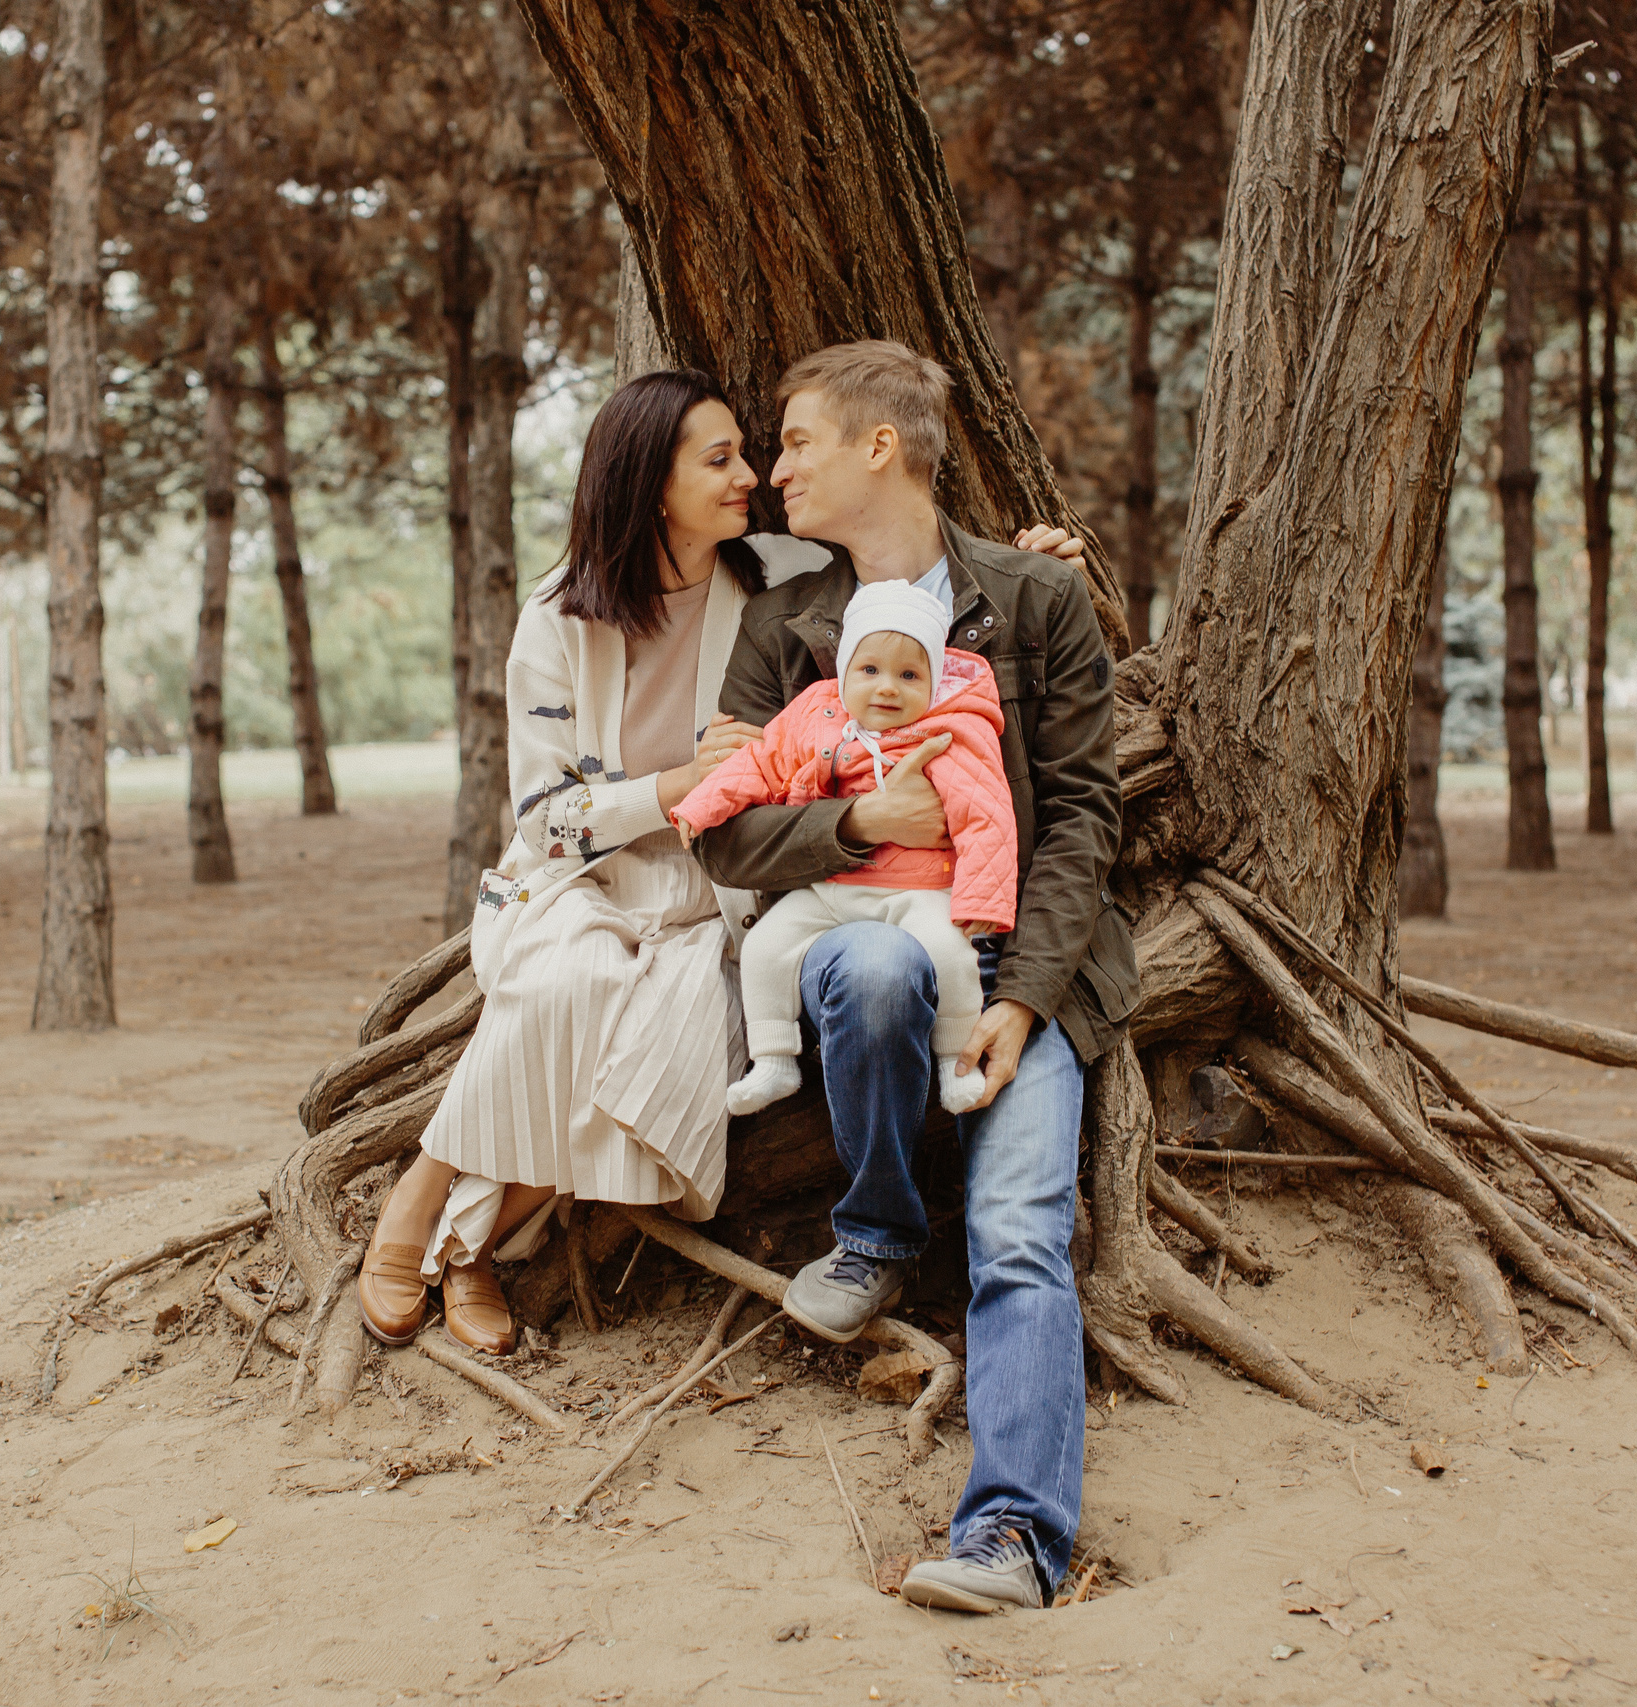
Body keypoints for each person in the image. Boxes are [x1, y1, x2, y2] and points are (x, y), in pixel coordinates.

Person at [353, 366, 1089, 1359]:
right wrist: (669, 787)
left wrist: (1030, 570)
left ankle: (466, 1238)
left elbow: (914, 586)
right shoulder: (558, 617)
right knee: (565, 984)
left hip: (715, 895)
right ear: (651, 484)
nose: (753, 476)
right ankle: (428, 1213)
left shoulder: (774, 579)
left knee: (662, 1064)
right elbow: (543, 820)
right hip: (584, 878)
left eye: (755, 452)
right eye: (722, 459)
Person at [693, 340, 1141, 1615]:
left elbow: (1083, 816)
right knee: (880, 965)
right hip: (859, 935)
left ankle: (1013, 1539)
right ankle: (877, 1230)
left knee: (1019, 1230)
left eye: (796, 442)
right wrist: (857, 825)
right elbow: (727, 834)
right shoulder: (784, 626)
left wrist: (1023, 1000)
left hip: (1024, 965)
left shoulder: (1035, 597)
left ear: (879, 447)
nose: (775, 471)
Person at [670, 577, 1016, 1124]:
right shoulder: (817, 714)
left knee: (953, 957)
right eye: (870, 670)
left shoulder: (948, 731)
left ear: (933, 681)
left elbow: (986, 816)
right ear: (844, 670)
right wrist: (700, 805)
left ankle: (957, 1062)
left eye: (909, 675)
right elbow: (758, 764)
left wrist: (982, 902)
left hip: (918, 889)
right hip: (832, 886)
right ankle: (773, 1059)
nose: (887, 689)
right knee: (765, 948)